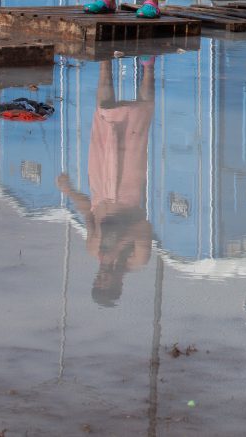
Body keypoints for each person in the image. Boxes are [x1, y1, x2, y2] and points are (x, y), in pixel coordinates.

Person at [56, 58, 155, 307]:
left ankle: (105, 63)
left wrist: (68, 190)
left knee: (103, 117)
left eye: (98, 281)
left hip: (100, 185)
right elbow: (144, 228)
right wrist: (118, 247)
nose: (102, 277)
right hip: (128, 189)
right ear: (117, 284)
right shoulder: (137, 259)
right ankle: (148, 67)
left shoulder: (93, 249)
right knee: (140, 122)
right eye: (106, 283)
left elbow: (88, 213)